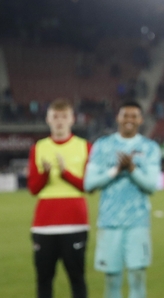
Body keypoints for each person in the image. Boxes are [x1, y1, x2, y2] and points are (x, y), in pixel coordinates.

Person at [84, 101, 161, 298]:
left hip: (138, 223)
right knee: (112, 280)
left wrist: (132, 169)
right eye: (125, 115)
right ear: (118, 117)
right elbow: (89, 184)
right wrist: (116, 170)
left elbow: (151, 186)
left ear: (141, 120)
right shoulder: (102, 145)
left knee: (137, 277)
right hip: (109, 222)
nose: (129, 120)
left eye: (134, 116)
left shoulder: (149, 148)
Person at [27, 99, 91, 298]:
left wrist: (65, 174)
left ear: (72, 119)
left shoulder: (84, 146)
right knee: (44, 280)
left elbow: (88, 186)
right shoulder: (39, 147)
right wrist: (45, 174)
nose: (59, 121)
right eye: (55, 117)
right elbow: (33, 189)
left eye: (64, 117)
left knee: (77, 279)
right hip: (44, 225)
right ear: (48, 120)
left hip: (75, 223)